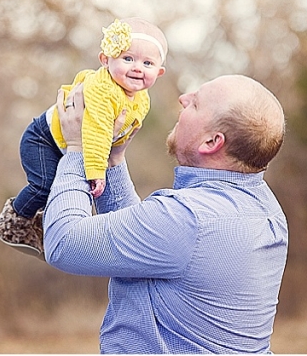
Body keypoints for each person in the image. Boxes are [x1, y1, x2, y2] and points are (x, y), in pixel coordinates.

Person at [43, 74, 288, 354]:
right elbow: (143, 243)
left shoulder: (189, 218)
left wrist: (77, 148)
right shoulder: (266, 210)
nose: (183, 98)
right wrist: (110, 159)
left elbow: (64, 243)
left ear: (212, 142)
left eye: (195, 103)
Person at [0, 18, 168, 258]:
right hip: (43, 139)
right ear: (106, 60)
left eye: (147, 63)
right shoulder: (104, 89)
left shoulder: (141, 98)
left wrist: (116, 152)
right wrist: (97, 171)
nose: (137, 68)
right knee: (45, 185)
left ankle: (44, 223)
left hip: (68, 145)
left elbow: (120, 131)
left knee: (66, 189)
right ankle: (15, 220)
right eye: (128, 59)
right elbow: (97, 131)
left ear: (159, 72)